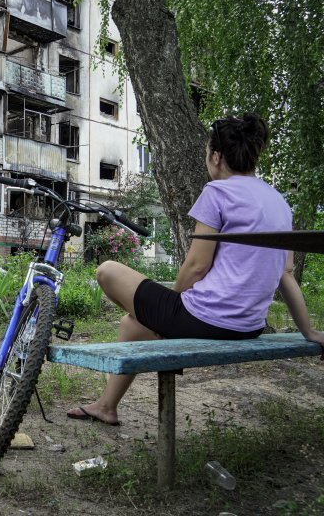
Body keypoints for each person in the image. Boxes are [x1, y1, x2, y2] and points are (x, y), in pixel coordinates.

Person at [67, 113, 324, 426]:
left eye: (207, 153)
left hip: (206, 320)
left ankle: (156, 335)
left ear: (216, 156)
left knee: (107, 270)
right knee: (132, 323)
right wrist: (308, 331)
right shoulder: (279, 202)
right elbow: (285, 275)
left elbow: (197, 265)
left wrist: (171, 312)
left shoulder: (218, 192)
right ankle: (106, 406)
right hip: (249, 326)